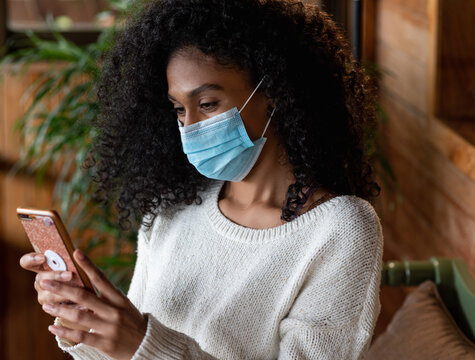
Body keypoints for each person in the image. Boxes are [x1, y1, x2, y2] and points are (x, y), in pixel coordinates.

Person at [19, 0, 384, 359]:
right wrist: (85, 323)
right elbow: (130, 353)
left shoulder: (339, 231)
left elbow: (141, 349)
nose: (189, 126)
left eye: (208, 103)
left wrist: (144, 346)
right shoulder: (171, 210)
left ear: (273, 92)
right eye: (179, 108)